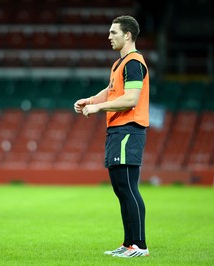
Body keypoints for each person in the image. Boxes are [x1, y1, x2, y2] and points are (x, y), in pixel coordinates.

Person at [74, 15, 149, 258]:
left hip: (129, 129)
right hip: (118, 130)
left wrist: (97, 108)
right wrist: (91, 100)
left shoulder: (134, 62)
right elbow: (112, 91)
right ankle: (129, 244)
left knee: (128, 188)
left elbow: (131, 98)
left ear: (127, 35)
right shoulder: (120, 64)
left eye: (113, 32)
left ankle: (140, 246)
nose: (109, 36)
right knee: (121, 188)